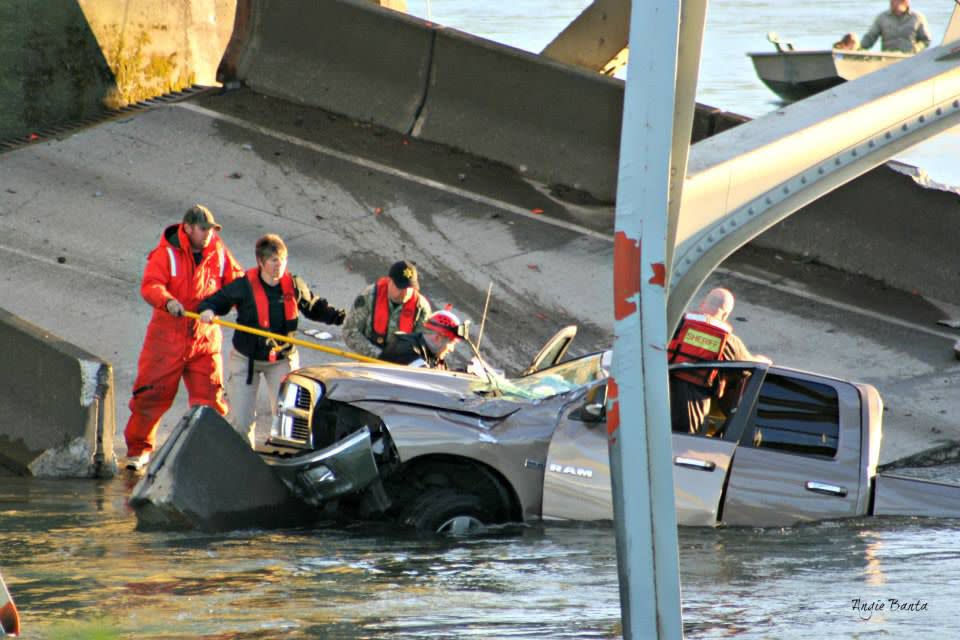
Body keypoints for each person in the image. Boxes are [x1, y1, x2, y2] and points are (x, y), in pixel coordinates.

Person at [123, 204, 244, 470]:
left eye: (211, 230)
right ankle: (138, 452)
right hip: (166, 340)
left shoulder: (219, 253)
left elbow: (237, 284)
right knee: (150, 397)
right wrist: (168, 302)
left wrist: (232, 307)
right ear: (187, 228)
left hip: (204, 340)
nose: (208, 235)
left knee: (210, 403)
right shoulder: (166, 254)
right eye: (203, 229)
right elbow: (151, 285)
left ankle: (206, 455)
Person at [197, 234, 346, 447]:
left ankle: (285, 457)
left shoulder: (293, 285)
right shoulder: (243, 286)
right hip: (246, 360)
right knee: (241, 421)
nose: (279, 265)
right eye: (274, 260)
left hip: (282, 360)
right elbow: (216, 301)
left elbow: (314, 307)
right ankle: (244, 462)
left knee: (291, 418)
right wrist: (208, 310)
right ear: (261, 262)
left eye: (282, 260)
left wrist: (338, 317)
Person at [667, 287, 771, 435]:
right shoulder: (728, 341)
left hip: (654, 410)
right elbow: (752, 367)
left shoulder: (676, 325)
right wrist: (761, 359)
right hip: (689, 424)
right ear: (726, 315)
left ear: (702, 304)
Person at [341, 260, 432, 359]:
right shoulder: (369, 296)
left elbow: (425, 346)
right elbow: (350, 331)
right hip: (369, 361)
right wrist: (378, 355)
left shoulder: (422, 308)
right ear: (390, 281)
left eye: (409, 287)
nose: (405, 292)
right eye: (401, 287)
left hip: (402, 365)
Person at [380, 309, 464, 369]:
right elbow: (429, 380)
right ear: (438, 337)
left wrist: (465, 373)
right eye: (452, 343)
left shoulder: (433, 356)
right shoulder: (406, 348)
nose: (452, 349)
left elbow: (444, 377)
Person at [860, 0, 931, 53]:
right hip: (887, 58)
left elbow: (926, 40)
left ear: (905, 2)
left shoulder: (917, 18)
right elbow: (870, 37)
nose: (893, 2)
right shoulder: (882, 18)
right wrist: (859, 48)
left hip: (910, 59)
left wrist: (915, 49)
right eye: (892, 1)